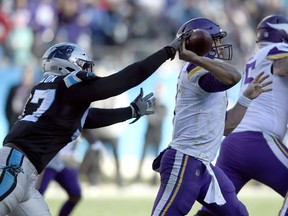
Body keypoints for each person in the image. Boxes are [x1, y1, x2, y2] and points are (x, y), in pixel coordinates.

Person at [0, 31, 192, 216]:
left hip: (21, 169)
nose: (87, 71)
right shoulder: (68, 86)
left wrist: (130, 111)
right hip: (15, 166)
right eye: (83, 65)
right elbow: (122, 80)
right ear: (68, 66)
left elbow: (87, 118)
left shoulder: (52, 90)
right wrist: (168, 51)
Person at [150, 17, 272, 216]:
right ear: (200, 42)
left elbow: (226, 127)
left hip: (203, 164)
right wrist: (196, 58)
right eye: (214, 40)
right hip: (185, 159)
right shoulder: (194, 68)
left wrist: (246, 99)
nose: (219, 46)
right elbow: (234, 77)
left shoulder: (205, 70)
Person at [195, 14, 288, 216]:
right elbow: (283, 66)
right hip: (258, 140)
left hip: (233, 144)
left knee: (214, 209)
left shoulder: (256, 55)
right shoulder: (276, 50)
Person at [36, 139, 82, 216]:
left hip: (64, 164)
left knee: (76, 194)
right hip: (47, 162)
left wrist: (95, 144)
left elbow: (85, 131)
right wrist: (61, 154)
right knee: (36, 196)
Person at [134, 83, 167, 185]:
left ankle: (154, 181)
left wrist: (152, 116)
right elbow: (148, 116)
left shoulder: (164, 107)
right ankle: (138, 179)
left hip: (157, 135)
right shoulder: (151, 104)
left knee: (157, 158)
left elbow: (157, 118)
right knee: (143, 156)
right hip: (148, 134)